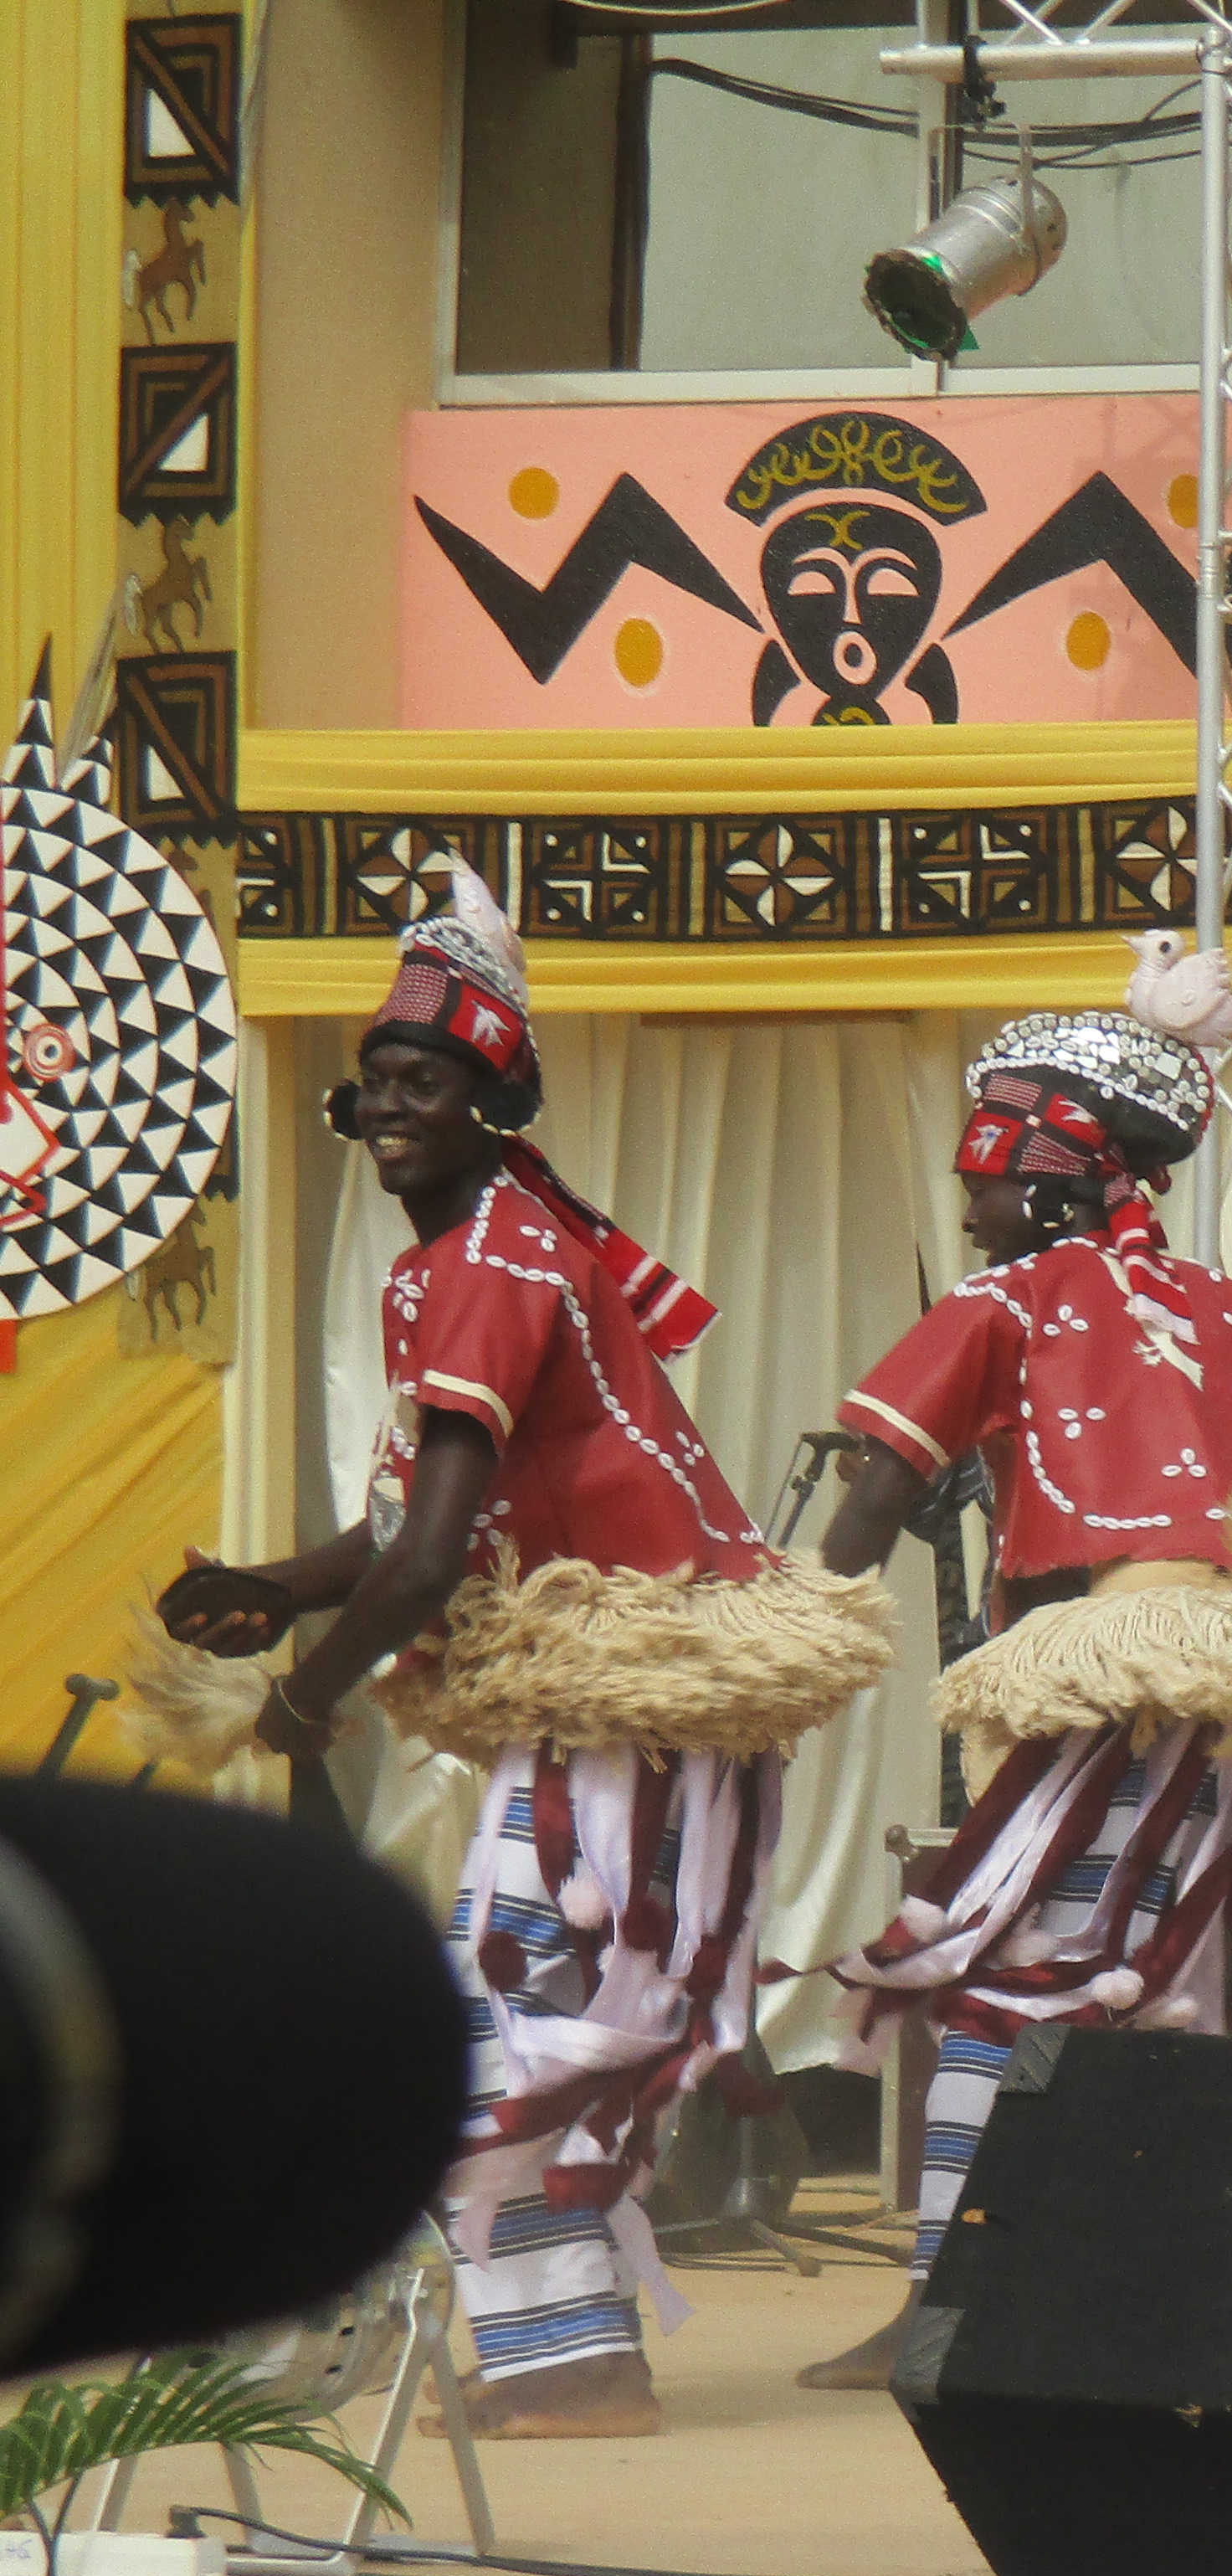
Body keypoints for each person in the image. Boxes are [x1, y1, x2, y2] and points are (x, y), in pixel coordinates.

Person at [143, 868, 887, 2433]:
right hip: (650, 1690)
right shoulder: (495, 1247)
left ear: (501, 1105)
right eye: (381, 1086)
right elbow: (422, 1520)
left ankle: (574, 2364)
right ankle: (571, 2342)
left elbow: (427, 1560)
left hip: (637, 1689)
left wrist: (302, 1697)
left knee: (508, 2006)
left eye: (433, 1084)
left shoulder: (488, 1256)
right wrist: (272, 1585)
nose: (395, 1108)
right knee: (527, 2001)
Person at [794, 967, 1232, 2390]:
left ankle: (949, 2302)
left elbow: (880, 1487)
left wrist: (788, 1650)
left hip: (1128, 1688)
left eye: (981, 1175)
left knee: (1009, 1975)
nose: (967, 1206)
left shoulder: (1004, 1297)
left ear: (1049, 1172)